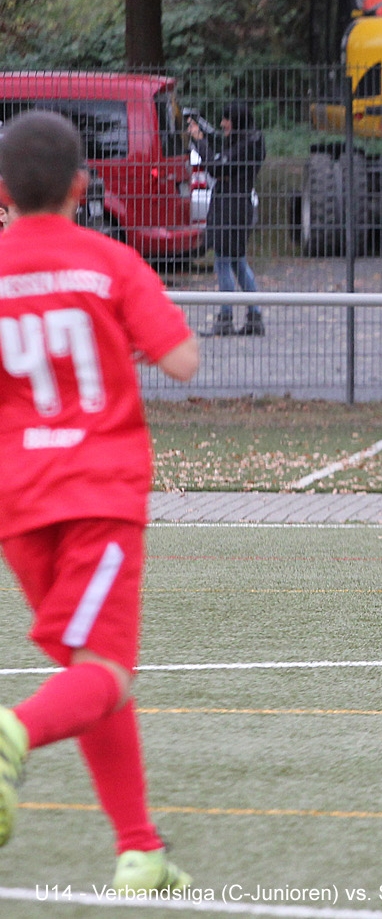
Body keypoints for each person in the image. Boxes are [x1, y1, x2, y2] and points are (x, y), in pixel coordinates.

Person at [0, 111, 201, 889]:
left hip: (19, 502)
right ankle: (12, 730)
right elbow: (182, 360)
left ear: (3, 192)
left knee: (93, 670)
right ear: (82, 186)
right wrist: (122, 334)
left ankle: (140, 848)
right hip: (98, 492)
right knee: (106, 668)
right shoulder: (109, 261)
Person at [190, 102, 265, 337]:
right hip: (237, 206)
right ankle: (254, 316)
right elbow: (224, 160)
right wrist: (208, 137)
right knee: (237, 262)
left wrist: (199, 142)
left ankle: (225, 318)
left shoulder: (245, 146)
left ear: (237, 121)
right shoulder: (251, 141)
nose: (223, 124)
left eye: (226, 120)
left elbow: (216, 167)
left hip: (229, 209)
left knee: (223, 261)